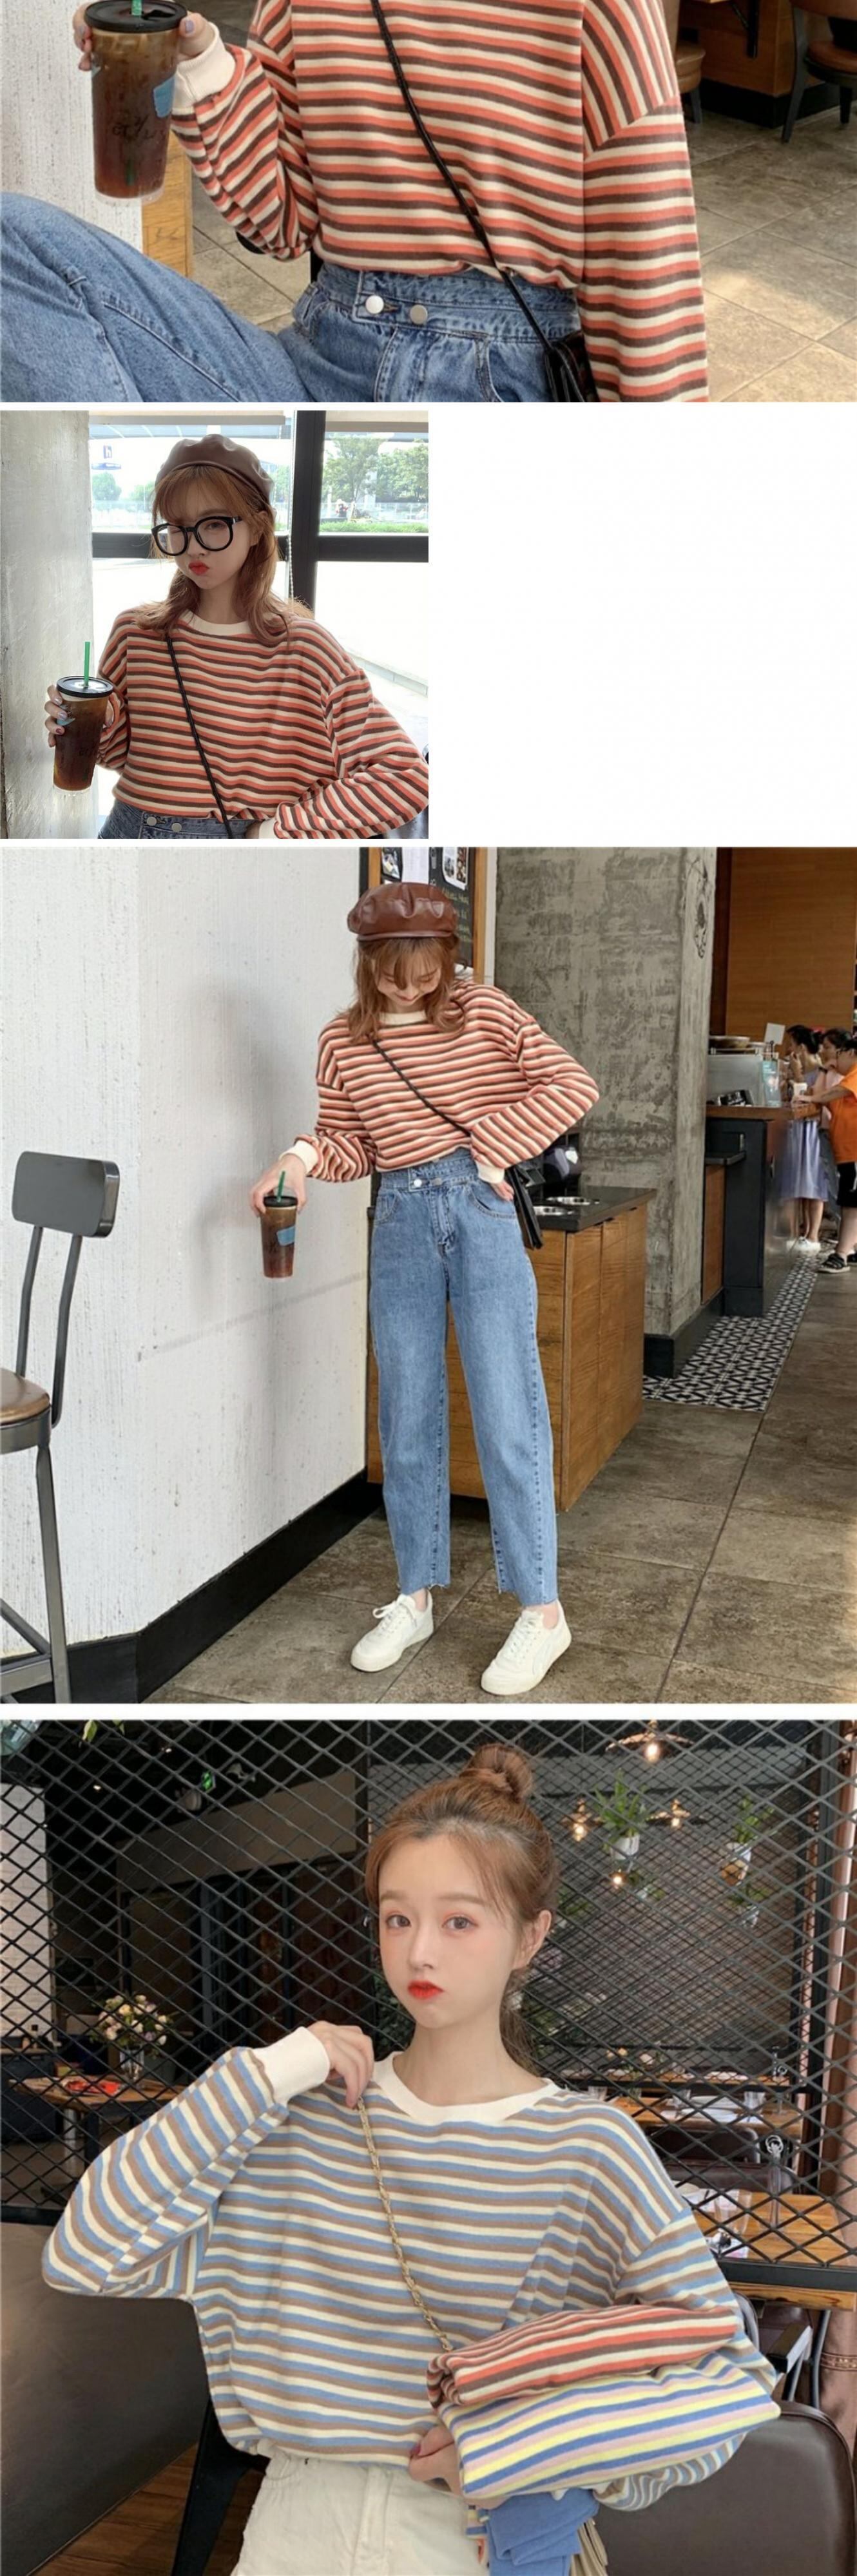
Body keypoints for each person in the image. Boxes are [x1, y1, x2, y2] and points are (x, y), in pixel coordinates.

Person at [41, 1740, 778, 2576]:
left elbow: (728, 2379)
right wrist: (266, 2072)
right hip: (295, 2529)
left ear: (530, 1935)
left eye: (459, 1920)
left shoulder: (585, 2147)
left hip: (483, 2536)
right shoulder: (297, 2117)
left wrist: (530, 2449)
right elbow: (86, 2252)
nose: (420, 1951)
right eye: (397, 1917)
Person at [251, 880, 602, 1696]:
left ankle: (543, 1610)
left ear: (446, 961)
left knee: (507, 1410)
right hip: (401, 1219)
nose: (409, 989)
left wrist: (491, 1148)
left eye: (425, 974)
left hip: (480, 1211)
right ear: (367, 962)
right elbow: (351, 1143)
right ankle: (414, 1595)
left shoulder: (483, 1010)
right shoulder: (342, 1039)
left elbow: (572, 1085)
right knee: (405, 1414)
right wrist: (298, 1160)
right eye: (391, 975)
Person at [1, 1, 708, 403]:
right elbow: (282, 223)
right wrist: (203, 65)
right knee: (13, 239)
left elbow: (646, 267)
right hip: (322, 359)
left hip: (501, 379)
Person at [44, 432, 428, 840]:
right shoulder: (136, 634)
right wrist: (94, 725)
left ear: (258, 527)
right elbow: (121, 755)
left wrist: (275, 833)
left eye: (214, 524)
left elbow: (404, 777)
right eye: (177, 527)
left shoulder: (306, 649)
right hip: (131, 835)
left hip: (246, 848)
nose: (193, 547)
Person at [793, 1028, 857, 1272]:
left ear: (851, 1053)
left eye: (838, 1054)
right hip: (848, 1152)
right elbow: (824, 1096)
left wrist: (812, 1099)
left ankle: (841, 1254)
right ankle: (848, 1249)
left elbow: (835, 1093)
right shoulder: (843, 1078)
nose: (835, 1060)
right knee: (849, 1201)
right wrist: (823, 1072)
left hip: (855, 1151)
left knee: (851, 1204)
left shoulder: (854, 1076)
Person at [776, 1024, 838, 1247]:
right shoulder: (803, 1072)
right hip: (798, 1131)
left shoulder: (821, 1073)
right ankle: (800, 1234)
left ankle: (813, 1236)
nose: (788, 1049)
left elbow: (810, 1103)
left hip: (812, 1132)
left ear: (801, 1048)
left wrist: (797, 1075)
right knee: (799, 1183)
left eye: (791, 1044)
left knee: (813, 1182)